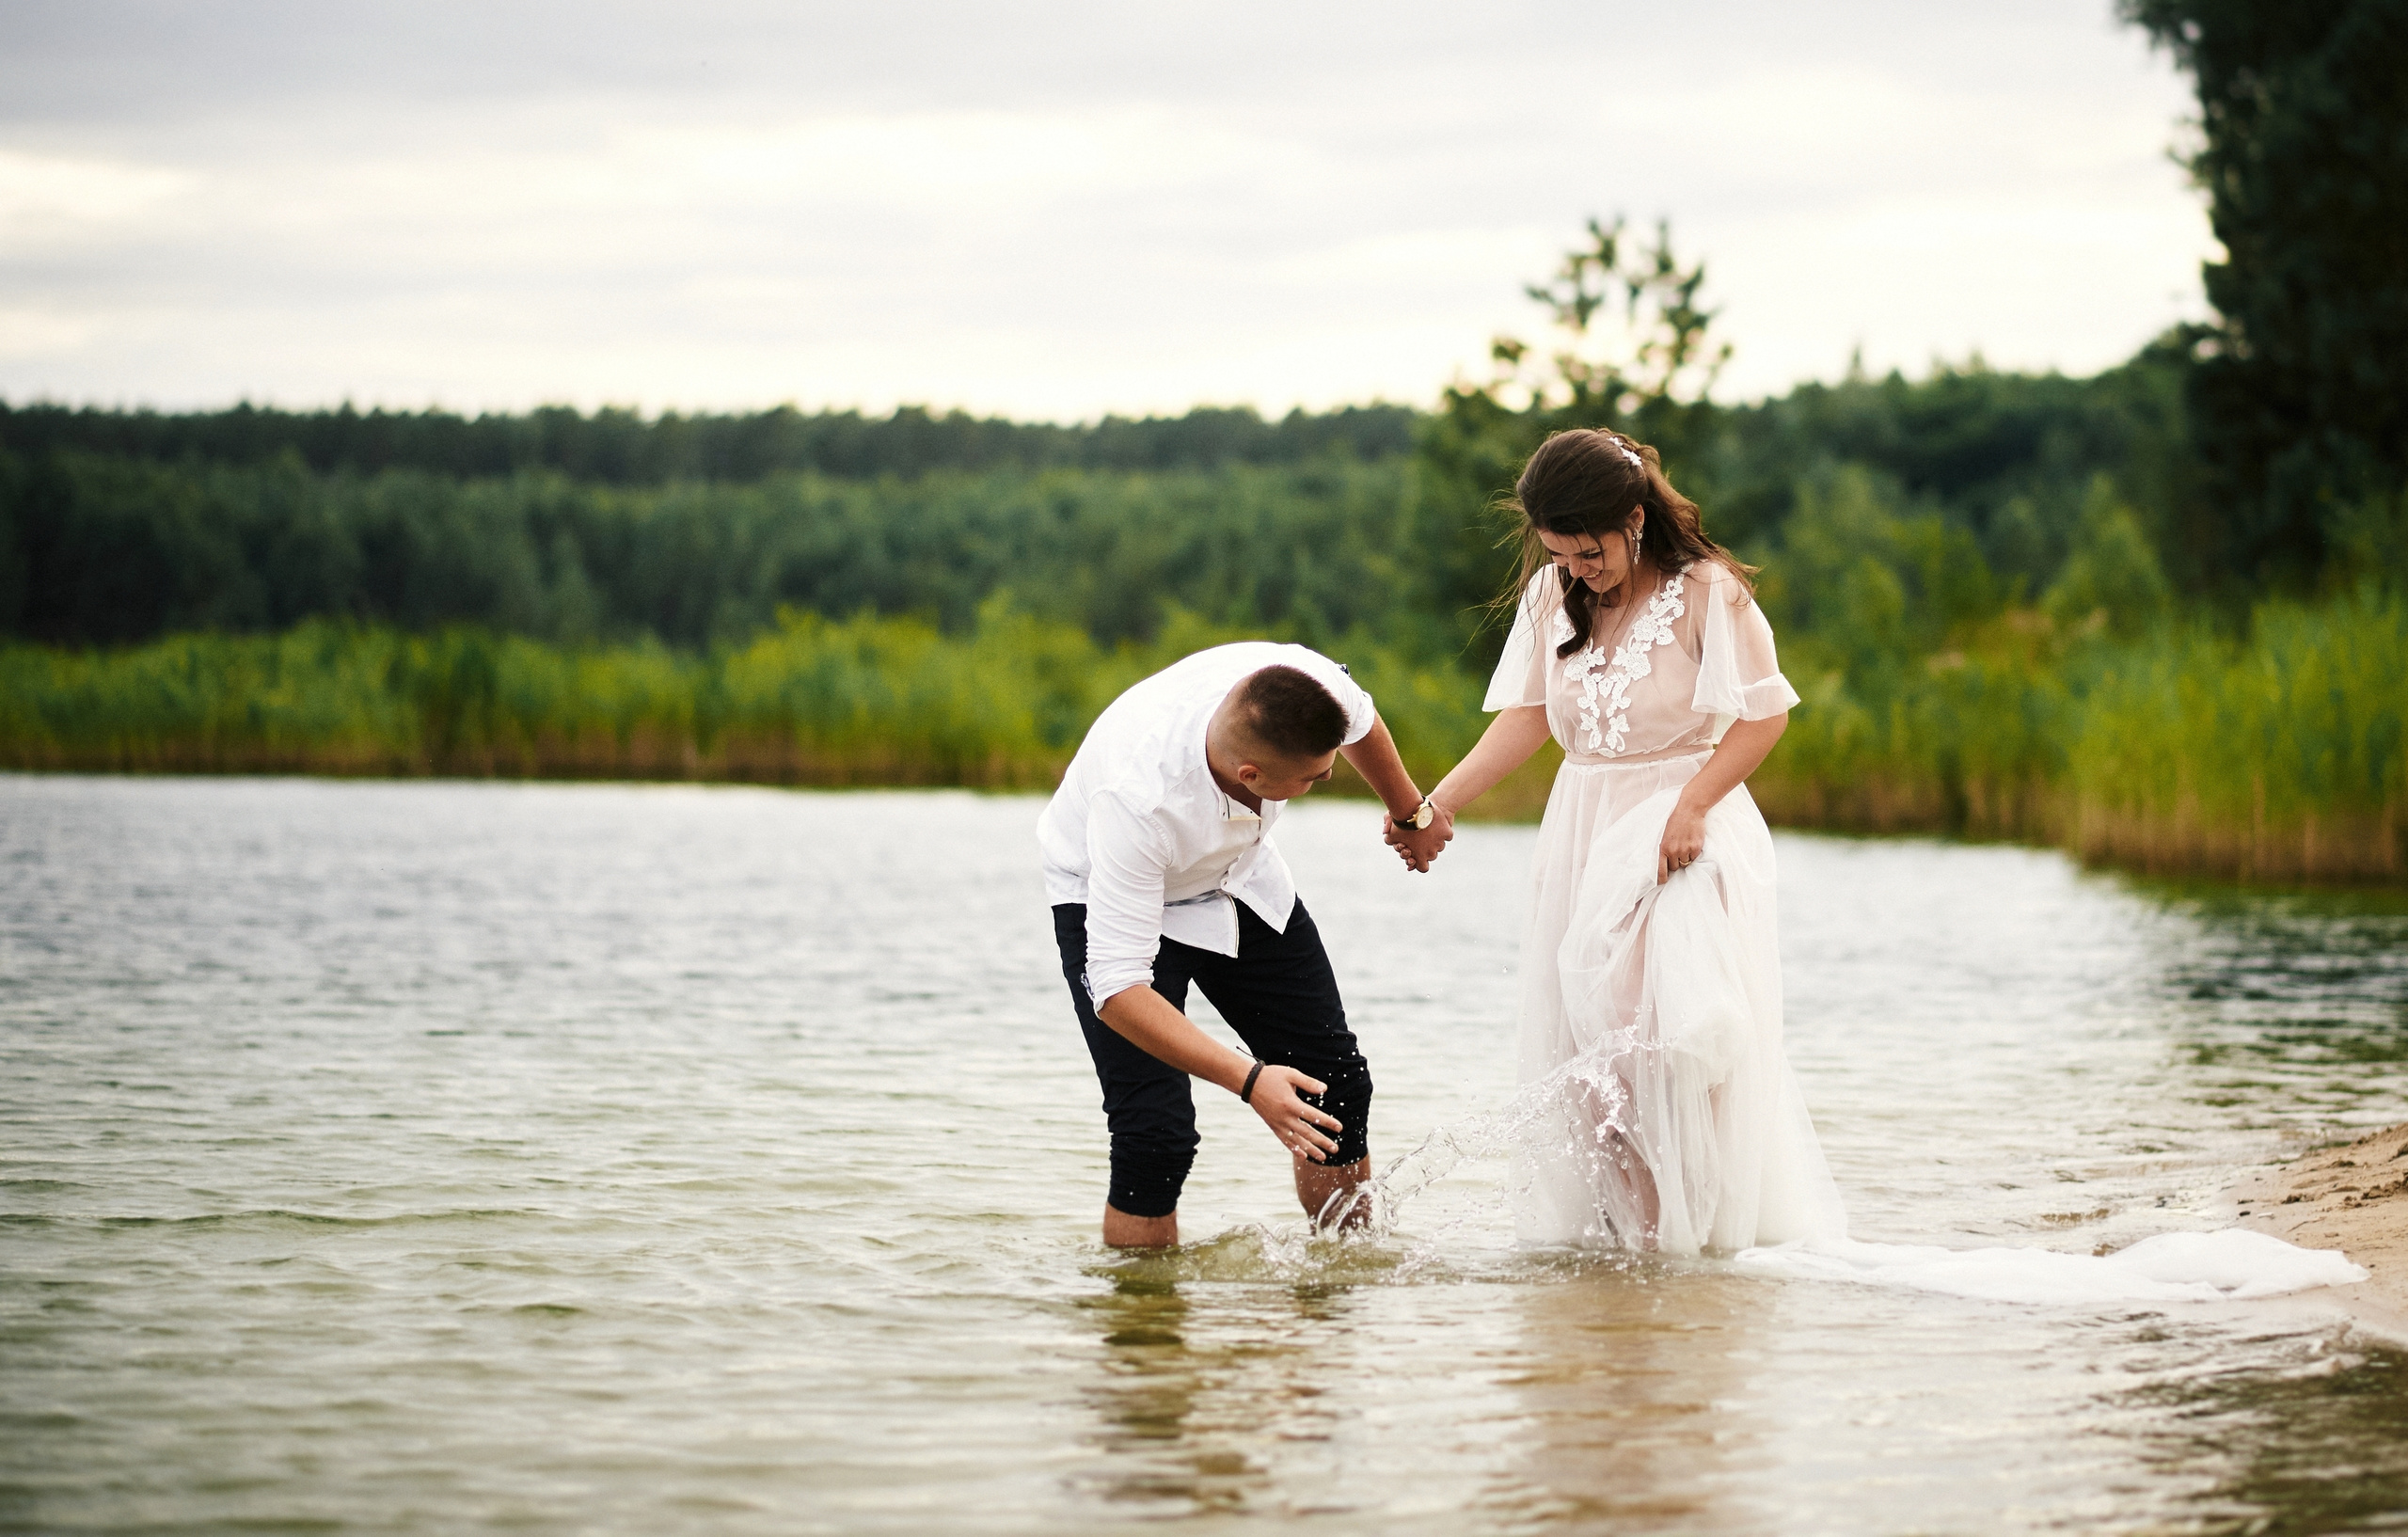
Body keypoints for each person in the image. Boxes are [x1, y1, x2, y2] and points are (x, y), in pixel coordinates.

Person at [1392, 427, 1846, 1254]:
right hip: (1583, 829)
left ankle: (1690, 1231)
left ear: (1635, 518)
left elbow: (1765, 715)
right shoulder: (1550, 597)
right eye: (1560, 554)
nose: (1576, 569)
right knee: (1591, 1051)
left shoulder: (1709, 592)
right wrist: (1438, 803)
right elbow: (1527, 719)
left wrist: (1695, 805)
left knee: (1665, 1036)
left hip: (1682, 828)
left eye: (1590, 550)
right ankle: (1629, 1241)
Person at [1041, 643, 1450, 1248]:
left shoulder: (1304, 683)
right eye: (1312, 778)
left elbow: (1361, 721)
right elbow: (1118, 990)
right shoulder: (1137, 802)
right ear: (1251, 775)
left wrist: (1410, 812)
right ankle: (1145, 1333)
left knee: (1336, 1085)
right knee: (1155, 1134)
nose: (1326, 779)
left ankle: (1342, 1288)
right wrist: (1251, 1080)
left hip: (1236, 880)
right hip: (1111, 896)